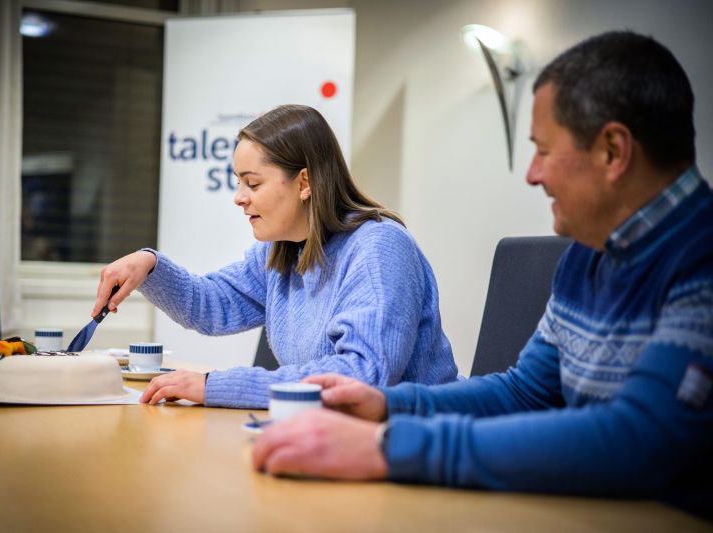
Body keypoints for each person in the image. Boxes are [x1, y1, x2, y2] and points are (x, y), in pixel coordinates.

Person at [252, 31, 713, 509]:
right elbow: (525, 392)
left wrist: (390, 447)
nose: (533, 174)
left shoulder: (701, 259)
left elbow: (639, 440)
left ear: (613, 151)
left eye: (544, 151)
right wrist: (391, 406)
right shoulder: (586, 257)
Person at [93, 104, 458, 409]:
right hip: (333, 434)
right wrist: (149, 266)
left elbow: (362, 375)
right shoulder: (281, 250)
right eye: (238, 182)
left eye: (252, 183)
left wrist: (216, 386)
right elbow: (211, 306)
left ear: (304, 183)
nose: (239, 196)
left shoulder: (379, 248)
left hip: (422, 439)